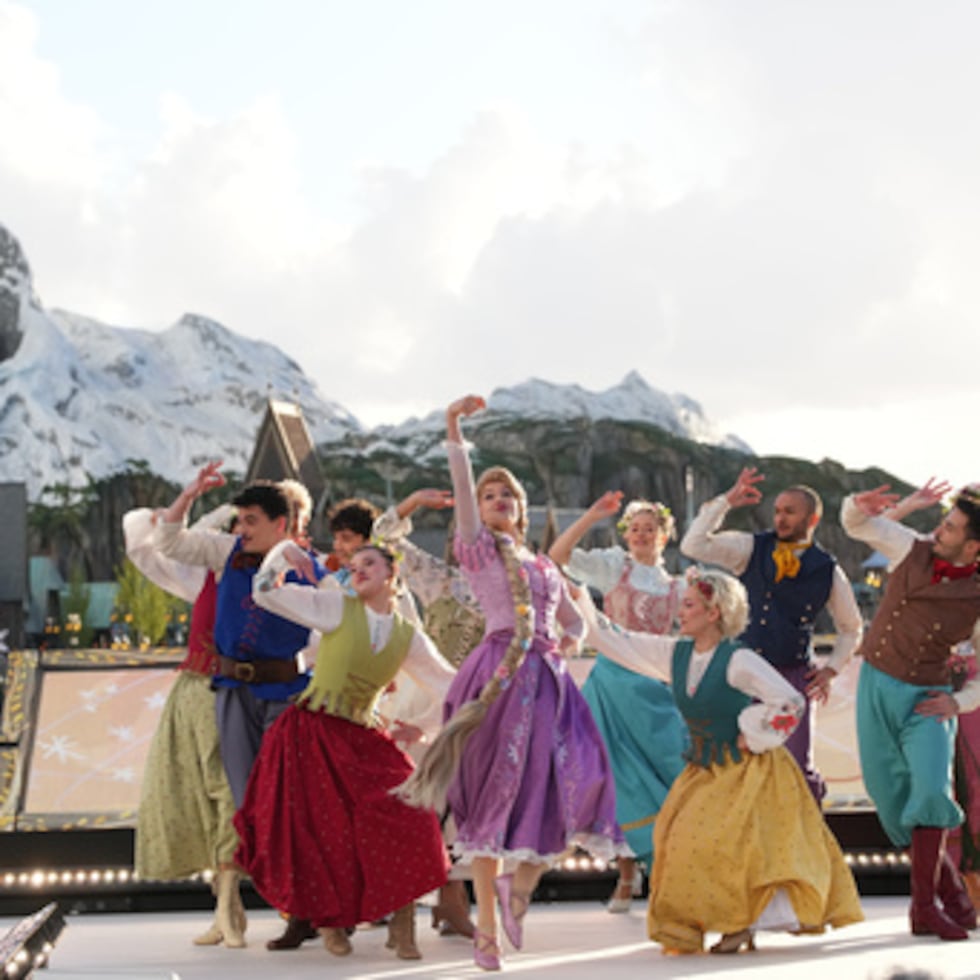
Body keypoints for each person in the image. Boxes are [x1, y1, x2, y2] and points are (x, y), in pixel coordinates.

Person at [398, 395, 623, 972]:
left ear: (522, 512)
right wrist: (452, 428)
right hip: (496, 677)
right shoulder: (479, 552)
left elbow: (575, 623)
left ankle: (517, 891)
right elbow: (465, 491)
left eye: (509, 497)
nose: (498, 501)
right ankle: (488, 933)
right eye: (492, 495)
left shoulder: (545, 565)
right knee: (490, 800)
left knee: (577, 783)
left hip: (546, 682)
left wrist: (568, 642)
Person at [579, 567, 863, 954]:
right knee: (677, 841)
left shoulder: (738, 659)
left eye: (690, 605)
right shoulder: (675, 654)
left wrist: (754, 731)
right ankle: (702, 923)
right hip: (703, 768)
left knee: (739, 849)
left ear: (714, 613)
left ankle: (741, 925)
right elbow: (618, 642)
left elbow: (790, 701)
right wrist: (569, 598)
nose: (682, 611)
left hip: (748, 770)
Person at [234, 540, 456, 960]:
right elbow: (264, 591)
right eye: (353, 565)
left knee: (414, 814)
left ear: (392, 574)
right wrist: (283, 551)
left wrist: (422, 726)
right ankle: (331, 922)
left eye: (369, 562)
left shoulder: (409, 636)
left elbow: (452, 687)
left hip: (363, 736)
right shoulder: (335, 606)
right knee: (324, 831)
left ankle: (403, 921)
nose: (358, 569)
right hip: (312, 732)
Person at [841, 482, 980, 940]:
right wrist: (879, 507)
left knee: (931, 789)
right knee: (892, 799)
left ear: (974, 545)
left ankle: (923, 909)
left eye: (951, 527)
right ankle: (954, 895)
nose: (939, 530)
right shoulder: (911, 548)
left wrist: (958, 702)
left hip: (928, 697)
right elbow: (857, 524)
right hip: (876, 687)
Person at [681, 467, 863, 800]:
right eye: (777, 511)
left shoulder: (827, 569)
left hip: (793, 677)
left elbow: (851, 629)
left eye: (789, 512)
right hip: (741, 675)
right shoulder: (750, 547)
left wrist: (831, 669)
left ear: (812, 519)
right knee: (734, 763)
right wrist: (725, 502)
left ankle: (802, 846)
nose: (780, 518)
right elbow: (693, 544)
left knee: (795, 767)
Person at [548, 491, 688, 912]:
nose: (642, 535)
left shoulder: (679, 587)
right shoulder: (613, 568)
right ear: (626, 536)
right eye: (635, 528)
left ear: (664, 537)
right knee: (617, 777)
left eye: (651, 528)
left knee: (669, 776)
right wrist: (593, 515)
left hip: (654, 690)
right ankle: (627, 874)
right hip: (611, 685)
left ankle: (671, 870)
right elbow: (558, 554)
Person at [124, 503, 245, 948]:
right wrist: (205, 506)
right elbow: (145, 545)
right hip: (194, 695)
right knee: (198, 797)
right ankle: (225, 908)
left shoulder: (275, 582)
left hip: (241, 697)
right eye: (237, 528)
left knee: (232, 796)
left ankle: (229, 904)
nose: (240, 538)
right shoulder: (203, 576)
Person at [373, 488, 483, 940]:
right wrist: (413, 503)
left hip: (481, 706)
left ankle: (452, 902)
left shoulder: (516, 586)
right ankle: (410, 903)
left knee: (465, 807)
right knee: (422, 803)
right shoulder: (440, 580)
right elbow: (383, 536)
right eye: (467, 534)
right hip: (428, 703)